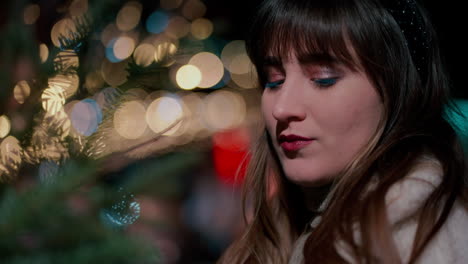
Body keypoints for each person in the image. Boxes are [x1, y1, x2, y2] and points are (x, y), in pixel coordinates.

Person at [217, 0, 468, 263]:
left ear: (397, 93)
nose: (281, 108)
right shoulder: (283, 225)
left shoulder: (418, 231)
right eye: (274, 80)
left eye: (323, 78)